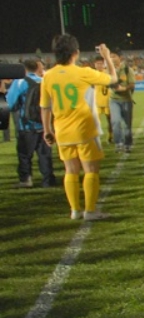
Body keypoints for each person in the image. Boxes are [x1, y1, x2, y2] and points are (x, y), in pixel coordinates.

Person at [41, 35, 117, 221]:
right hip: (85, 129)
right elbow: (113, 79)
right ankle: (90, 211)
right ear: (75, 53)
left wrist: (47, 130)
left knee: (70, 170)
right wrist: (107, 57)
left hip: (62, 130)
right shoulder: (83, 72)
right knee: (91, 170)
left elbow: (45, 106)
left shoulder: (47, 76)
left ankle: (75, 210)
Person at [8, 59, 56, 188]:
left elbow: (10, 103)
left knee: (24, 154)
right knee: (45, 154)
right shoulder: (44, 80)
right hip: (45, 124)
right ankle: (48, 180)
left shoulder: (20, 81)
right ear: (37, 68)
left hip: (27, 125)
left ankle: (26, 179)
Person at [108, 50, 135, 153]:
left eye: (114, 56)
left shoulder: (128, 70)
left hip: (126, 100)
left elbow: (132, 84)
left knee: (127, 125)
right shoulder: (109, 70)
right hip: (114, 100)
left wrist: (124, 88)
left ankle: (128, 144)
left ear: (120, 57)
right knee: (115, 122)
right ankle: (118, 143)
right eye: (110, 57)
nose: (112, 59)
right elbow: (106, 81)